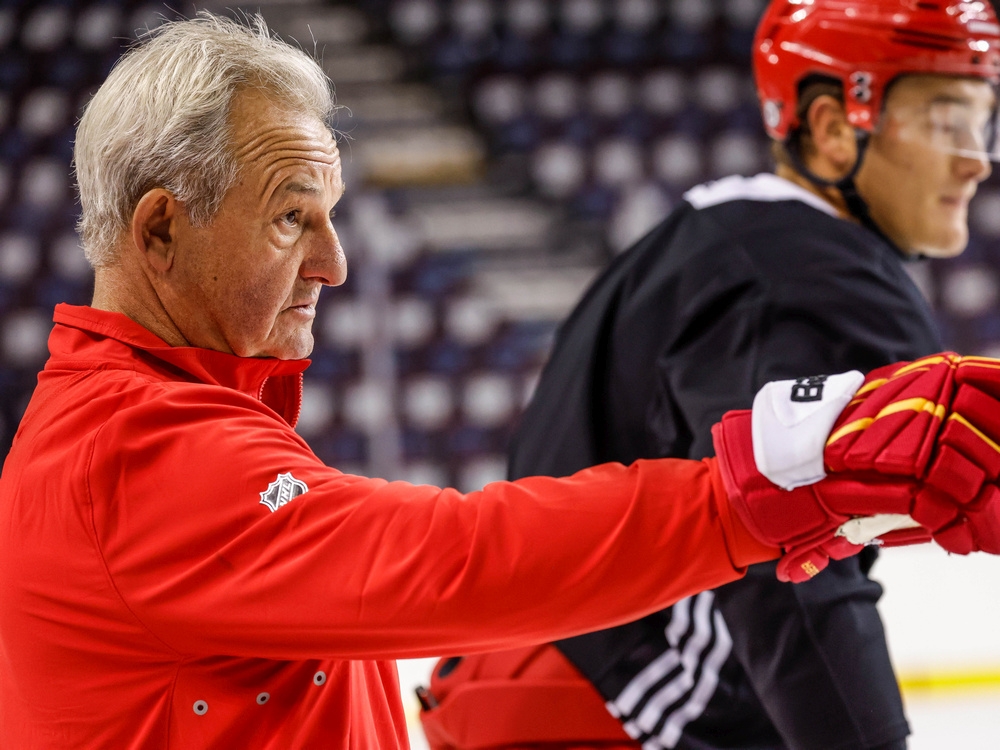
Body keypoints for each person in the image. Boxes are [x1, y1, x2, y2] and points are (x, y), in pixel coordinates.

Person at [9, 10, 996, 749]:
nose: (335, 262)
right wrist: (768, 481)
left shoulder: (140, 422)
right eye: (288, 217)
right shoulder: (136, 452)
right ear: (159, 230)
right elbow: (453, 559)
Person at [419, 2, 1000, 749]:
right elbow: (791, 558)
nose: (977, 157)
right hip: (613, 707)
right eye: (948, 120)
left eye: (982, 124)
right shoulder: (817, 272)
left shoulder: (716, 239)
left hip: (530, 682)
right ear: (829, 127)